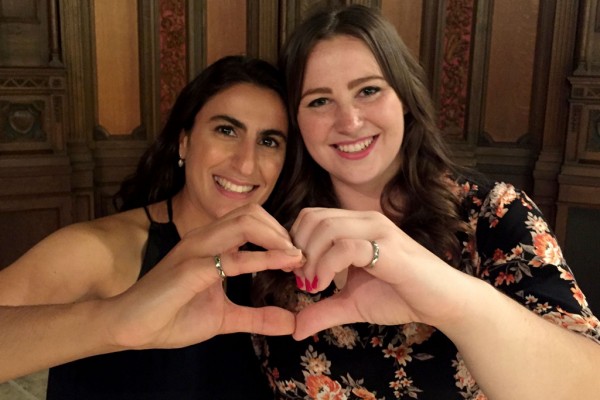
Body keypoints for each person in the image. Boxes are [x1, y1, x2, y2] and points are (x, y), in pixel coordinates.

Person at [253, 5, 600, 399]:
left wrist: (448, 298)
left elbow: (588, 387)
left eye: (368, 90)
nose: (349, 121)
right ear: (295, 119)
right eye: (319, 101)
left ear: (403, 96)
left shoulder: (492, 214)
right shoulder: (273, 232)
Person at [0, 55, 305, 399]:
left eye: (269, 141)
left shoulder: (277, 263)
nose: (246, 162)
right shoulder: (99, 250)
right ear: (184, 141)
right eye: (226, 130)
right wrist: (114, 320)